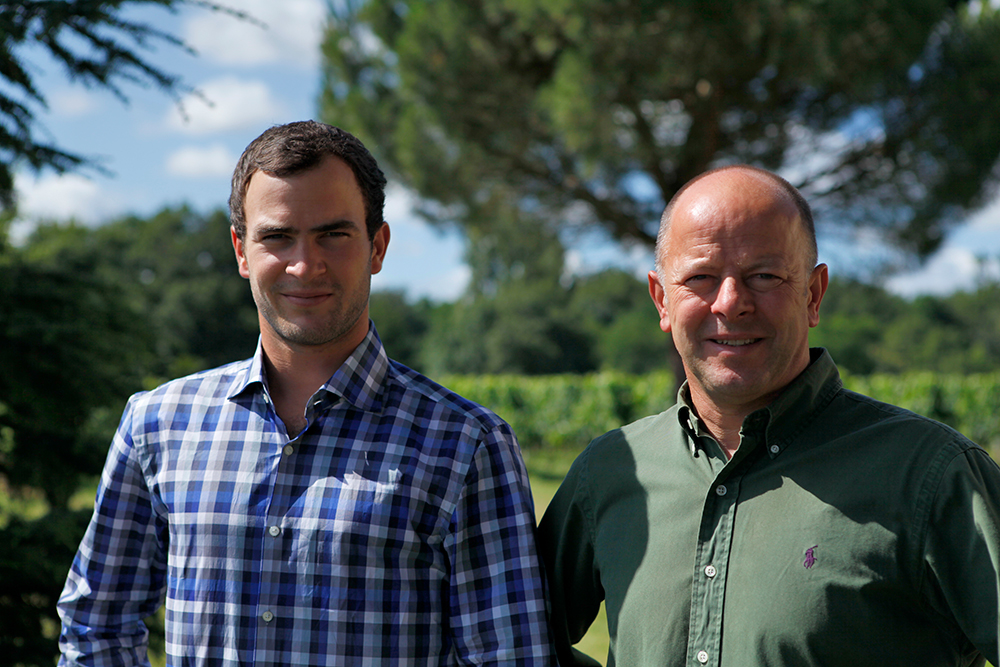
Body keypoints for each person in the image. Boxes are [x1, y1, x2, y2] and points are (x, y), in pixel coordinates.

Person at [57, 120, 555, 666]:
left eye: (333, 234)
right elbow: (95, 623)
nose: (304, 264)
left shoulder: (467, 445)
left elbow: (513, 656)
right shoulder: (157, 425)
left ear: (377, 246)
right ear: (241, 250)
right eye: (276, 236)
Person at [538, 165, 1000, 667]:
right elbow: (514, 643)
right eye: (700, 278)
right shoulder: (608, 473)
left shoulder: (932, 476)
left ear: (813, 294)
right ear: (661, 300)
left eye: (764, 276)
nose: (731, 302)